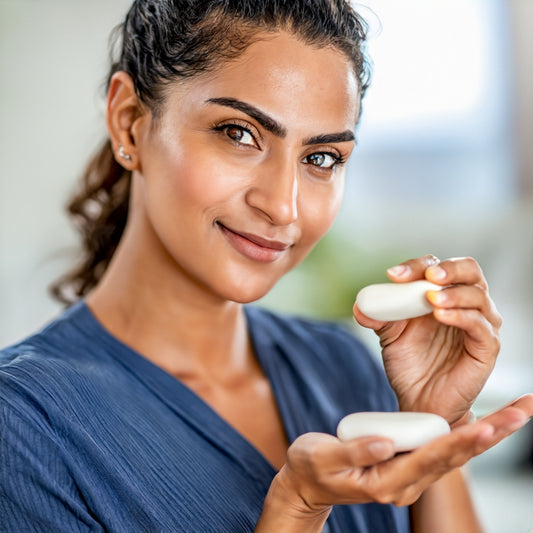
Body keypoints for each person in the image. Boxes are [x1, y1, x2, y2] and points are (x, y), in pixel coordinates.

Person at [1, 1, 532, 532]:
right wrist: (295, 510)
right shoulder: (24, 424)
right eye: (238, 133)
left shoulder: (343, 367)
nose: (284, 206)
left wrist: (432, 428)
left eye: (320, 158)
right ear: (130, 123)